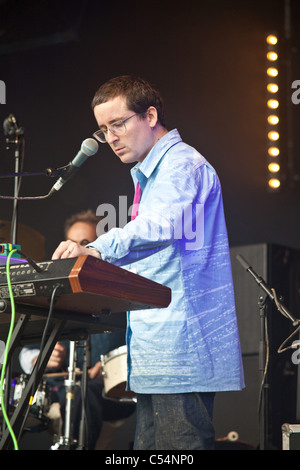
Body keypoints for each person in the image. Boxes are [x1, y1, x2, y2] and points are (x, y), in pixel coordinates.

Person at [52, 75, 245, 450]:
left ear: (150, 115)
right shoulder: (150, 175)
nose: (110, 138)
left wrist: (95, 249)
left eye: (118, 124)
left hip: (181, 353)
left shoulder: (181, 164)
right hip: (157, 356)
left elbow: (161, 227)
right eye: (103, 129)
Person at [19, 210, 135, 450]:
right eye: (72, 244)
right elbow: (26, 349)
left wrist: (112, 365)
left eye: (87, 244)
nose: (76, 250)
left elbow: (141, 344)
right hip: (57, 390)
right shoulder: (55, 294)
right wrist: (38, 358)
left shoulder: (122, 295)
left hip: (110, 392)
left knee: (82, 394)